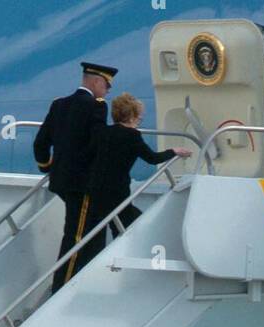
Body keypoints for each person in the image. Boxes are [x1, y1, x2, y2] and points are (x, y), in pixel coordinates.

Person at [34, 60, 117, 292]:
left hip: (62, 181)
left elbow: (41, 143)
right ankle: (62, 288)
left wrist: (47, 168)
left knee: (88, 231)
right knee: (76, 237)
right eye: (107, 86)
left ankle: (82, 281)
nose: (107, 91)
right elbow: (97, 143)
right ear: (97, 81)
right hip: (83, 184)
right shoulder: (97, 106)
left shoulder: (59, 105)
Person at [83, 93, 191, 261]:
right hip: (117, 191)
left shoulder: (103, 132)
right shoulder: (132, 136)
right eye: (139, 118)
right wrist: (174, 151)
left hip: (95, 189)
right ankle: (122, 263)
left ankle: (97, 264)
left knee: (99, 232)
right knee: (129, 226)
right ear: (132, 117)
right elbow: (152, 158)